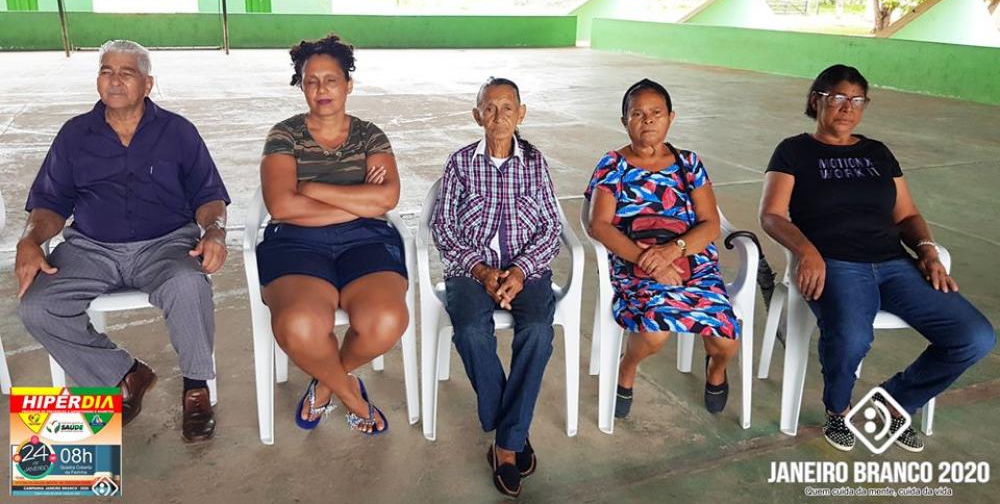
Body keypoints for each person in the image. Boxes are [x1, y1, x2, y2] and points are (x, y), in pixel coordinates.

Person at [760, 64, 995, 452]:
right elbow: (771, 214)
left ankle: (893, 404)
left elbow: (907, 215)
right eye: (838, 97)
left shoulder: (877, 152)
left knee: (974, 337)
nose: (847, 108)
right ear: (816, 100)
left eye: (857, 100)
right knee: (852, 336)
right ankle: (838, 410)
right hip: (835, 263)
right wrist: (806, 251)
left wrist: (927, 251)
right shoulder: (794, 151)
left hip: (895, 264)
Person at [17, 39, 229, 442]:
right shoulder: (74, 134)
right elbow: (50, 203)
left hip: (165, 244)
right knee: (38, 307)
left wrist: (215, 230)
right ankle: (124, 374)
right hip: (91, 247)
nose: (114, 81)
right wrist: (30, 240)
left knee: (189, 283)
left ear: (147, 84)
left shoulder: (177, 132)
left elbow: (209, 195)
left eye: (126, 73)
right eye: (106, 72)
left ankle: (196, 387)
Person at [257, 33, 407, 436]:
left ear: (348, 85)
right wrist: (360, 200)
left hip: (367, 240)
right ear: (301, 86)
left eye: (331, 80)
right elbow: (281, 207)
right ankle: (352, 396)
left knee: (386, 320)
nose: (321, 89)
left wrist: (312, 188)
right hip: (295, 241)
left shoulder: (370, 135)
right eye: (311, 81)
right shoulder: (284, 135)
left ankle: (325, 385)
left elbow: (387, 197)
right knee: (298, 324)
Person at [431, 77, 561, 498]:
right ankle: (513, 436)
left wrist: (519, 272)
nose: (499, 116)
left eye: (507, 108)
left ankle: (505, 442)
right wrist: (483, 271)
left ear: (521, 114)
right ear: (477, 116)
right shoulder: (460, 163)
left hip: (528, 270)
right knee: (471, 331)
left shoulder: (535, 163)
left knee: (538, 331)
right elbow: (443, 226)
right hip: (471, 270)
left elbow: (550, 227)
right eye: (489, 108)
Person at [585, 79, 740, 419]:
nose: (648, 120)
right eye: (637, 114)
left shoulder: (688, 163)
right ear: (624, 121)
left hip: (692, 262)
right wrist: (648, 260)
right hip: (633, 261)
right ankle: (627, 367)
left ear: (671, 117)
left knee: (726, 340)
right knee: (655, 333)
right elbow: (599, 225)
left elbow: (710, 224)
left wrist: (672, 251)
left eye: (656, 112)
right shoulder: (612, 165)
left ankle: (716, 368)